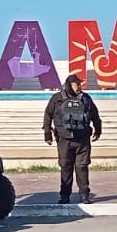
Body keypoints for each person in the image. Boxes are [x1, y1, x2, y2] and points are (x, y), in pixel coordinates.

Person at [43, 74, 102, 204]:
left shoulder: (86, 98)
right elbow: (48, 115)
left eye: (80, 84)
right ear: (69, 85)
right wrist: (47, 134)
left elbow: (95, 115)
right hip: (64, 140)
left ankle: (84, 196)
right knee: (66, 167)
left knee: (82, 167)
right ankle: (64, 196)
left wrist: (98, 130)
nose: (80, 86)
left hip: (83, 140)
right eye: (77, 84)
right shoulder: (57, 98)